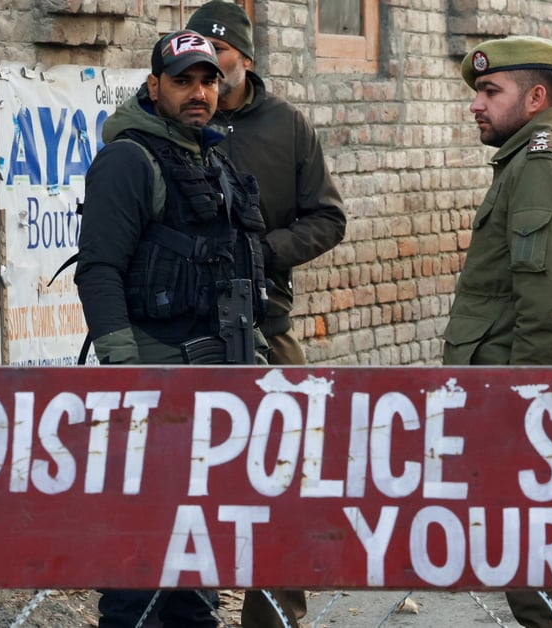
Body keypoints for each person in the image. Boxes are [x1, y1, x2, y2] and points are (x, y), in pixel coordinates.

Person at [75, 29, 269, 627]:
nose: (198, 93)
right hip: (154, 383)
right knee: (138, 561)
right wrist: (124, 374)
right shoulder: (129, 160)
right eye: (182, 80)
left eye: (208, 80)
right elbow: (99, 270)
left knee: (196, 559)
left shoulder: (210, 158)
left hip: (214, 381)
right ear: (154, 85)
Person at [442, 36, 552, 627]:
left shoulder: (541, 166)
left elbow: (548, 301)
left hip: (522, 398)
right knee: (538, 551)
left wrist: (527, 402)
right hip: (526, 390)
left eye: (491, 91)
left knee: (526, 558)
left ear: (536, 97)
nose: (476, 104)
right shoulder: (549, 155)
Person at [184, 2, 347, 626]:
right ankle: (184, 609)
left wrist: (258, 253)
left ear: (244, 59)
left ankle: (273, 614)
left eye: (218, 60)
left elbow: (328, 218)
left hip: (262, 323)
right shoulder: (168, 120)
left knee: (288, 471)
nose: (207, 75)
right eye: (194, 62)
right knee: (183, 478)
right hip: (180, 332)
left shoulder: (288, 126)